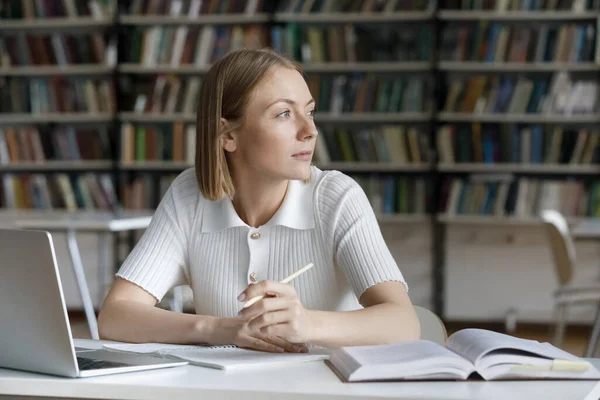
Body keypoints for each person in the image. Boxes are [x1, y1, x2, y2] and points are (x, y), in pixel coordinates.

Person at [98, 48, 420, 353]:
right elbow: (115, 316)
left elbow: (404, 323)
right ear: (228, 136)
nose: (310, 130)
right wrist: (219, 329)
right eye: (283, 113)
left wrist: (307, 324)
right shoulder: (189, 196)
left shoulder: (337, 198)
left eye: (309, 112)